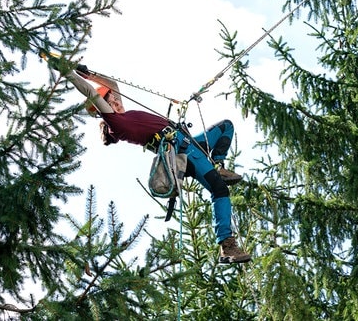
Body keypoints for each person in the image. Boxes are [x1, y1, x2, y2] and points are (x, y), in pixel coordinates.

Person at [47, 57, 250, 264]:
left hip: (189, 142)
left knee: (226, 126)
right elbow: (91, 93)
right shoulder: (117, 123)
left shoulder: (122, 113)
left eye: (115, 100)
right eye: (111, 102)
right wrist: (69, 73)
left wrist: (88, 73)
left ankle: (218, 165)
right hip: (184, 153)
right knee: (219, 190)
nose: (117, 101)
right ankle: (226, 245)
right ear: (104, 110)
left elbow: (113, 85)